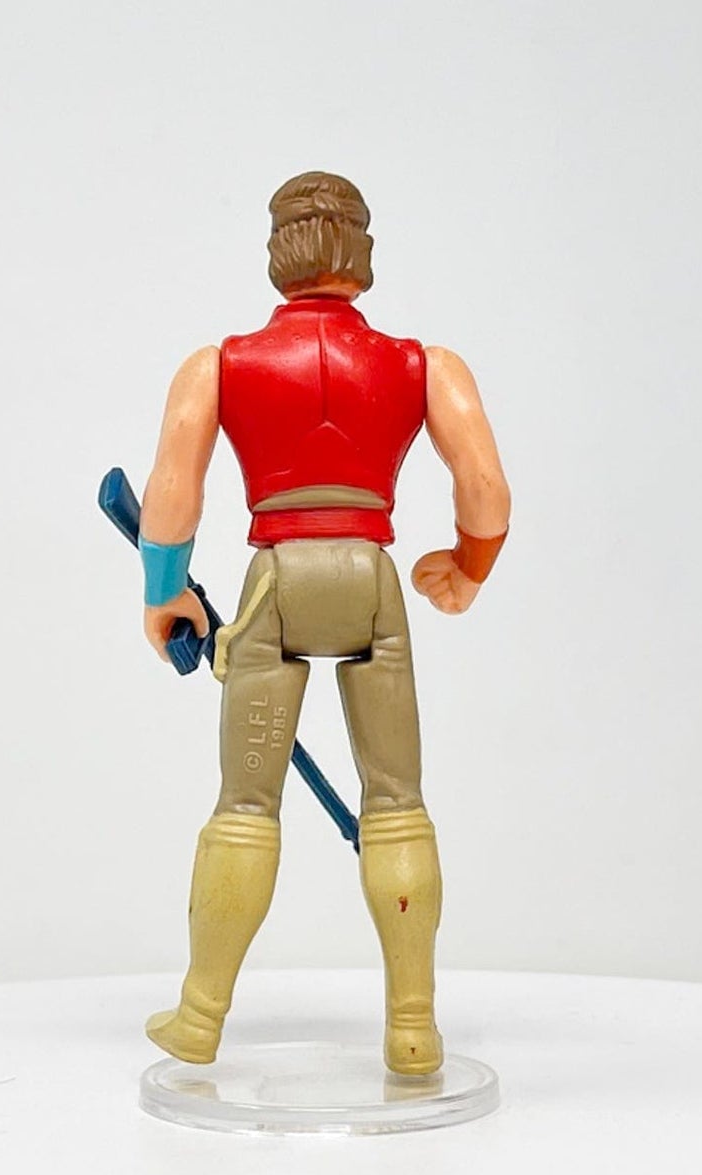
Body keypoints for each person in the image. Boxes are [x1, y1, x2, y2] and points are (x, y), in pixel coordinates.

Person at [136, 172, 510, 1075]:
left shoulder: (219, 365)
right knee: (398, 804)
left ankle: (200, 1015)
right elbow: (486, 488)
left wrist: (164, 590)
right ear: (360, 251)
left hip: (276, 580)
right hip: (371, 583)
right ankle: (413, 1027)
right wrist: (468, 565)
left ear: (279, 253)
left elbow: (172, 495)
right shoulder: (425, 366)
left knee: (244, 805)